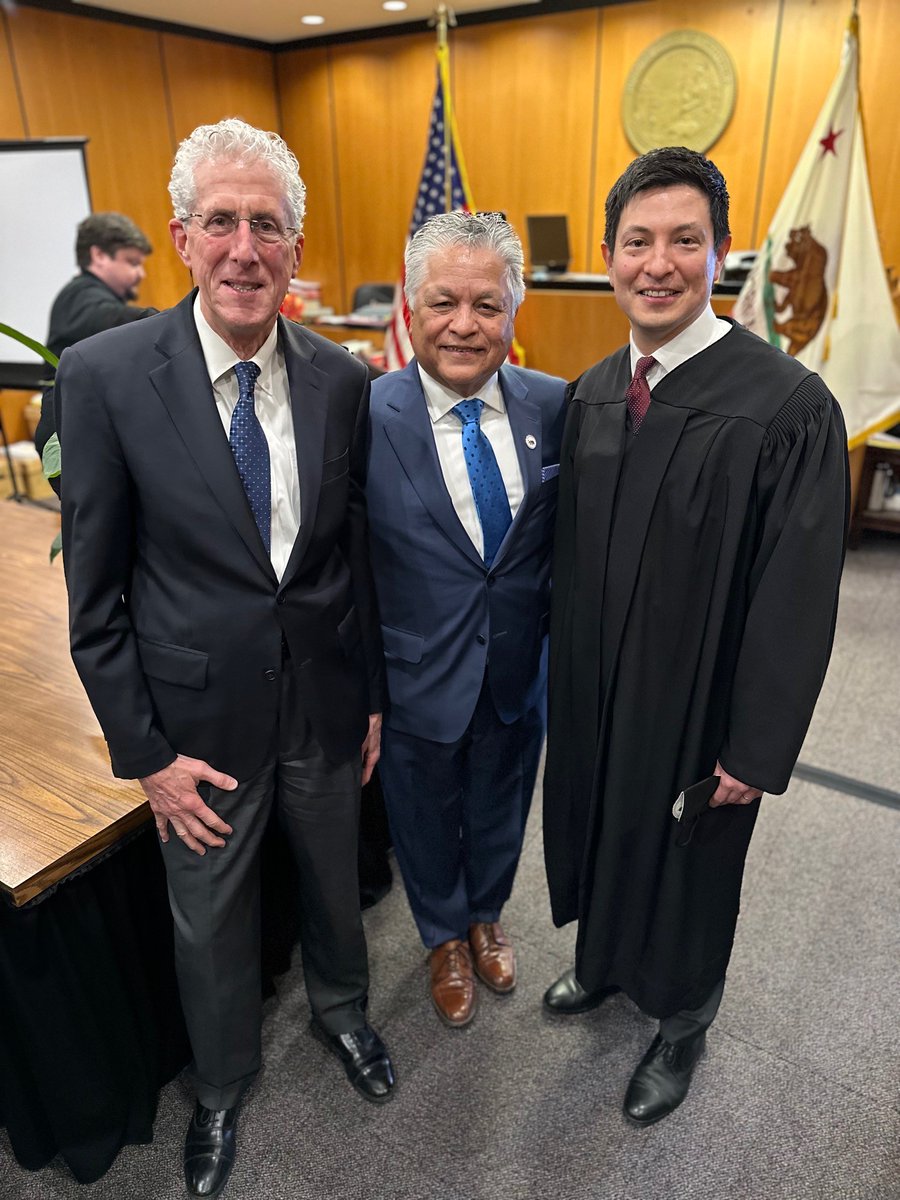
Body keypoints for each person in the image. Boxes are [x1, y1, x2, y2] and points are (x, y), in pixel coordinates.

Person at [55, 118, 394, 1199]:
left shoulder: (343, 381)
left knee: (337, 892)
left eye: (268, 226)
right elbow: (96, 596)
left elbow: (355, 561)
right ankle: (219, 1088)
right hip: (194, 731)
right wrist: (145, 756)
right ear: (181, 237)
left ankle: (345, 1017)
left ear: (295, 249)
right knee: (208, 925)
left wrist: (372, 698)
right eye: (222, 223)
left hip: (327, 706)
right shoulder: (106, 376)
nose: (245, 248)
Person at [542, 147, 848, 1126]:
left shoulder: (787, 407)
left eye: (685, 240)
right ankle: (600, 965)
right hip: (598, 691)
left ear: (722, 253)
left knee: (693, 857)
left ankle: (682, 1020)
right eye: (638, 241)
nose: (658, 263)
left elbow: (798, 598)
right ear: (608, 253)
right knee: (603, 822)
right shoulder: (591, 391)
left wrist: (755, 748)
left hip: (702, 707)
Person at [366, 211, 566, 1027]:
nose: (464, 324)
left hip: (520, 668)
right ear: (411, 308)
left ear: (513, 314)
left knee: (501, 802)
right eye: (444, 302)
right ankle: (442, 935)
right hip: (414, 673)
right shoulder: (363, 413)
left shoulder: (555, 404)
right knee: (420, 815)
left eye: (487, 305)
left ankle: (486, 915)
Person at [35, 212, 157, 470]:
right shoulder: (82, 299)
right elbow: (116, 320)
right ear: (99, 256)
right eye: (132, 262)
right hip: (70, 442)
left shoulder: (78, 295)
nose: (141, 274)